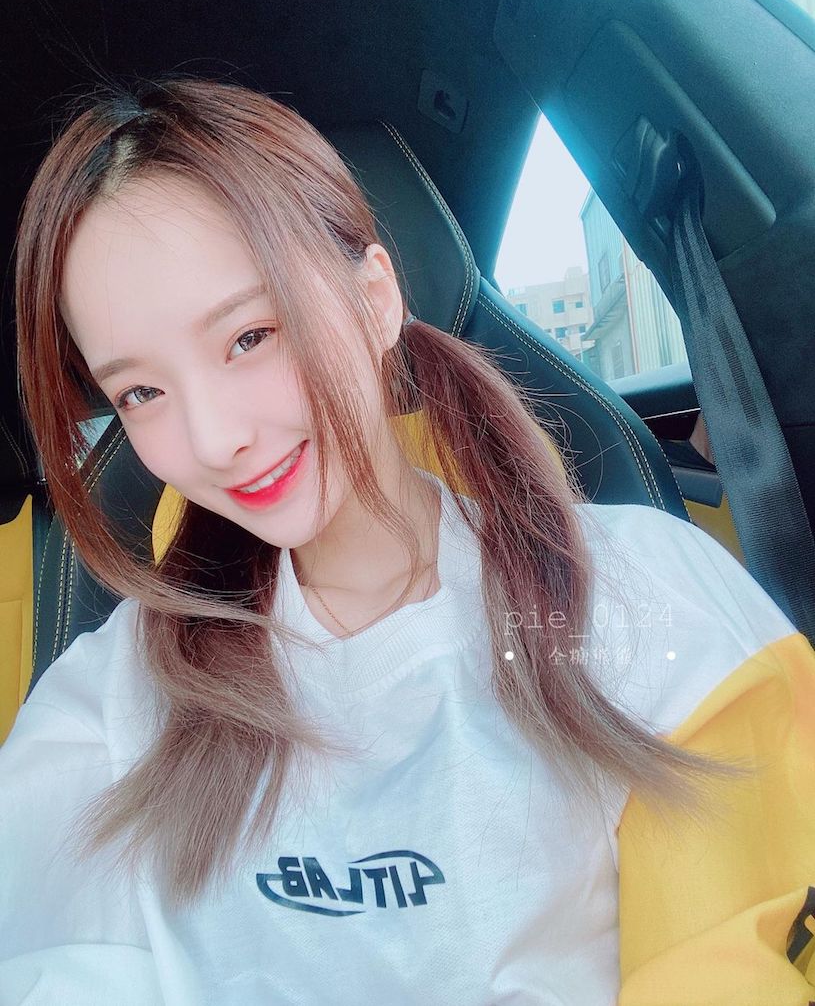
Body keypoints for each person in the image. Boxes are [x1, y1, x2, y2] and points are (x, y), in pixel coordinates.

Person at [1, 75, 813, 1006]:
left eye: (251, 336)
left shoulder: (639, 601)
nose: (214, 438)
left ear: (375, 297)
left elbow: (720, 961)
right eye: (141, 392)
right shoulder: (113, 703)